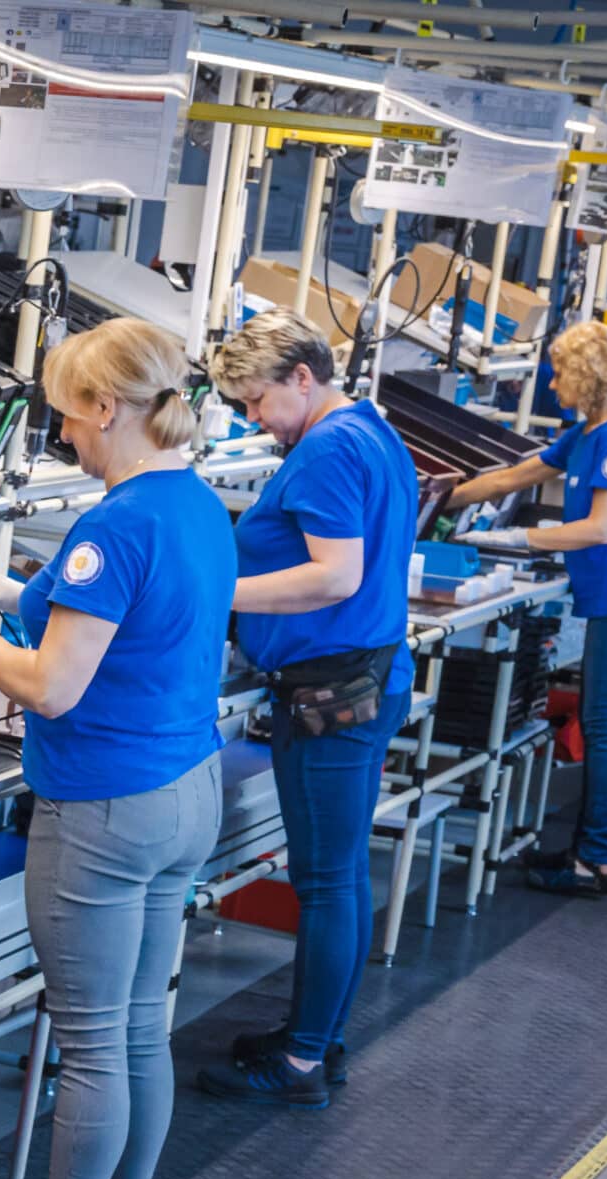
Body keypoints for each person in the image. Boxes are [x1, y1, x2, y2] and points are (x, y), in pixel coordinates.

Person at [0, 319, 233, 1179]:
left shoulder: (115, 523)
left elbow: (51, 687)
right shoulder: (195, 504)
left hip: (105, 809)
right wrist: (29, 590)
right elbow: (137, 623)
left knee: (92, 1042)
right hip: (187, 791)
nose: (63, 436)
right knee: (143, 1028)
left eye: (66, 415)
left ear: (108, 408)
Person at [196, 310, 420, 1109]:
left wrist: (208, 591)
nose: (254, 419)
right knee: (342, 877)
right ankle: (317, 1038)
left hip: (333, 694)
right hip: (367, 677)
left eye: (258, 401)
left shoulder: (326, 449)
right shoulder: (369, 430)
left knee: (326, 882)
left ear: (302, 377)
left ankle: (296, 1065)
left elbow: (333, 577)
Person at [447, 320, 607, 897]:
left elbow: (601, 528)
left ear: (588, 375)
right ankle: (593, 851)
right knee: (603, 724)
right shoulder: (586, 433)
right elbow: (517, 475)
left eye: (560, 372)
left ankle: (596, 861)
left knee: (605, 729)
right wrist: (434, 494)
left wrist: (518, 541)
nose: (553, 384)